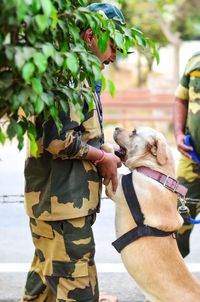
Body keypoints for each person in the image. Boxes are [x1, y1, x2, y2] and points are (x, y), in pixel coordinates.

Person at [22, 3, 129, 302]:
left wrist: (107, 150)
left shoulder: (78, 74)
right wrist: (102, 158)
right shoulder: (65, 75)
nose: (115, 55)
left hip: (62, 208)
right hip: (62, 208)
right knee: (78, 292)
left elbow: (82, 133)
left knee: (43, 291)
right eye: (114, 44)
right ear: (91, 36)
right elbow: (57, 139)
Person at [174, 51, 200, 258]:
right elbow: (181, 99)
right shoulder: (195, 59)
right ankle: (170, 283)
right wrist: (179, 133)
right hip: (192, 158)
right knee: (178, 216)